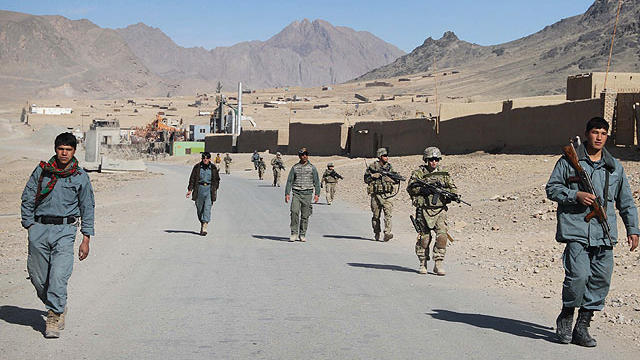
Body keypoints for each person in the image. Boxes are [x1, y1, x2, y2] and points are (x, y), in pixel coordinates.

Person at [546, 117, 639, 347]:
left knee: (600, 280)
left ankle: (582, 326)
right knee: (578, 277)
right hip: (577, 229)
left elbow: (625, 201)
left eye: (603, 133)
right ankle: (567, 316)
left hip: (604, 234)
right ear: (587, 134)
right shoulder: (569, 161)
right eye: (595, 132)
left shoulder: (614, 167)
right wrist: (575, 195)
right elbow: (552, 188)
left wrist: (633, 229)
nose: (599, 137)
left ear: (608, 136)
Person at [20, 132, 95, 338]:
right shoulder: (43, 171)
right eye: (61, 149)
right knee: (37, 277)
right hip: (39, 229)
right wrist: (29, 224)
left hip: (65, 231)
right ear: (55, 149)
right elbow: (27, 196)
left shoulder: (80, 177)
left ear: (74, 152)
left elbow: (87, 206)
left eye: (68, 150)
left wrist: (86, 238)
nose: (64, 153)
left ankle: (53, 315)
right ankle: (58, 304)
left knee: (59, 276)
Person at [407, 147, 457, 276]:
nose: (433, 162)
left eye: (436, 159)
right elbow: (411, 188)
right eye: (431, 159)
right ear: (426, 160)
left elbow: (453, 188)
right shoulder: (418, 173)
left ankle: (438, 263)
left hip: (440, 210)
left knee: (442, 236)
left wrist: (452, 195)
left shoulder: (444, 174)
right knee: (424, 238)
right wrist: (422, 190)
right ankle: (423, 263)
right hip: (424, 210)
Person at [285, 147, 320, 242]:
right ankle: (294, 233)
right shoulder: (295, 167)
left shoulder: (312, 168)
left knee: (305, 215)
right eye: (302, 155)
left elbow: (316, 182)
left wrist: (317, 194)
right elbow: (289, 181)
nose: (304, 156)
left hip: (307, 193)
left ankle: (302, 234)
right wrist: (287, 193)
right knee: (294, 212)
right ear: (299, 156)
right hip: (296, 193)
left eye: (306, 154)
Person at [364, 148, 397, 241]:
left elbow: (396, 179)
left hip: (387, 195)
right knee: (376, 216)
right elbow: (366, 179)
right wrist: (372, 176)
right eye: (384, 155)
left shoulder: (390, 167)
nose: (387, 157)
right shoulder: (372, 167)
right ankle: (376, 232)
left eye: (387, 155)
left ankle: (387, 232)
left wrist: (390, 179)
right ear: (380, 156)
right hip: (375, 195)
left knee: (388, 214)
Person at [187, 152, 220, 236]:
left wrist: (215, 188)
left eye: (207, 158)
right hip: (199, 189)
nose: (205, 159)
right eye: (204, 158)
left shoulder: (213, 168)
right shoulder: (197, 167)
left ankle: (205, 226)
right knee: (199, 208)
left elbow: (217, 179)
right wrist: (190, 190)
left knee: (207, 208)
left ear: (210, 159)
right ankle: (202, 222)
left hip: (209, 189)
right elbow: (192, 179)